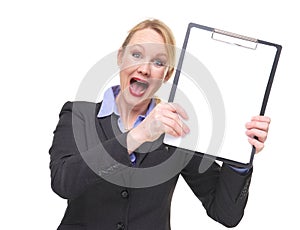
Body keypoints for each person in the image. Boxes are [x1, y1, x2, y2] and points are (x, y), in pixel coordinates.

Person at [49, 19, 271, 230]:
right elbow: (63, 183)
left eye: (158, 62)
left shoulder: (176, 129)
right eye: (136, 54)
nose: (145, 69)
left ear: (167, 74)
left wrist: (241, 153)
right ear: (120, 57)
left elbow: (226, 214)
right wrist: (138, 135)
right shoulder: (79, 114)